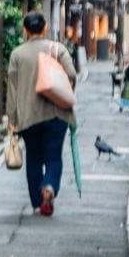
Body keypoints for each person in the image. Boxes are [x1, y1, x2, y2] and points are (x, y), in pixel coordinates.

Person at [7, 11, 78, 216]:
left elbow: (12, 90)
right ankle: (49, 186)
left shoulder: (17, 55)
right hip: (57, 114)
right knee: (54, 157)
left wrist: (12, 119)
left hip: (29, 116)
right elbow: (72, 74)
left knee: (34, 159)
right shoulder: (58, 50)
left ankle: (38, 204)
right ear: (45, 27)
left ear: (25, 30)